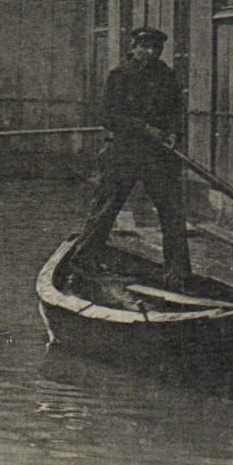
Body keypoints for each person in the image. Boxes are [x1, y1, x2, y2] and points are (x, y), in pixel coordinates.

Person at [72, 27, 190, 287]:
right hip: (124, 152)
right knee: (106, 207)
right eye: (145, 47)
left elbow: (177, 113)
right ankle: (83, 263)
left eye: (156, 48)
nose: (151, 53)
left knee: (172, 212)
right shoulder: (119, 76)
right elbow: (108, 116)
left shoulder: (167, 76)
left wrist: (173, 134)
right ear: (133, 48)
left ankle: (178, 273)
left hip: (158, 157)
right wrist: (146, 129)